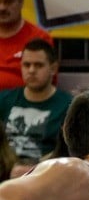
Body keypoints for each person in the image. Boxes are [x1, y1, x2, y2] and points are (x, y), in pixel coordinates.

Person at [0, 38, 73, 177]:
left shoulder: (69, 106)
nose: (31, 70)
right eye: (26, 65)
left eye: (38, 65)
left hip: (45, 177)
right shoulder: (3, 100)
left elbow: (69, 152)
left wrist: (34, 168)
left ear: (53, 68)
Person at [0, 0, 54, 91]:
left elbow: (47, 86)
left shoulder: (39, 38)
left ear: (21, 2)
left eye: (8, 2)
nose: (2, 7)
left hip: (24, 106)